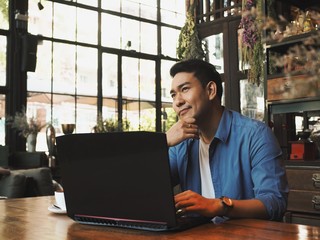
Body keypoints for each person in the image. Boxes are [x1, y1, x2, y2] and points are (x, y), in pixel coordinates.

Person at [166, 59, 288, 221]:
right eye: (174, 95)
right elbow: (146, 188)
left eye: (185, 89)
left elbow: (274, 203)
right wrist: (163, 142)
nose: (177, 101)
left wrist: (218, 206)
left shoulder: (256, 135)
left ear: (210, 90)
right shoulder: (181, 143)